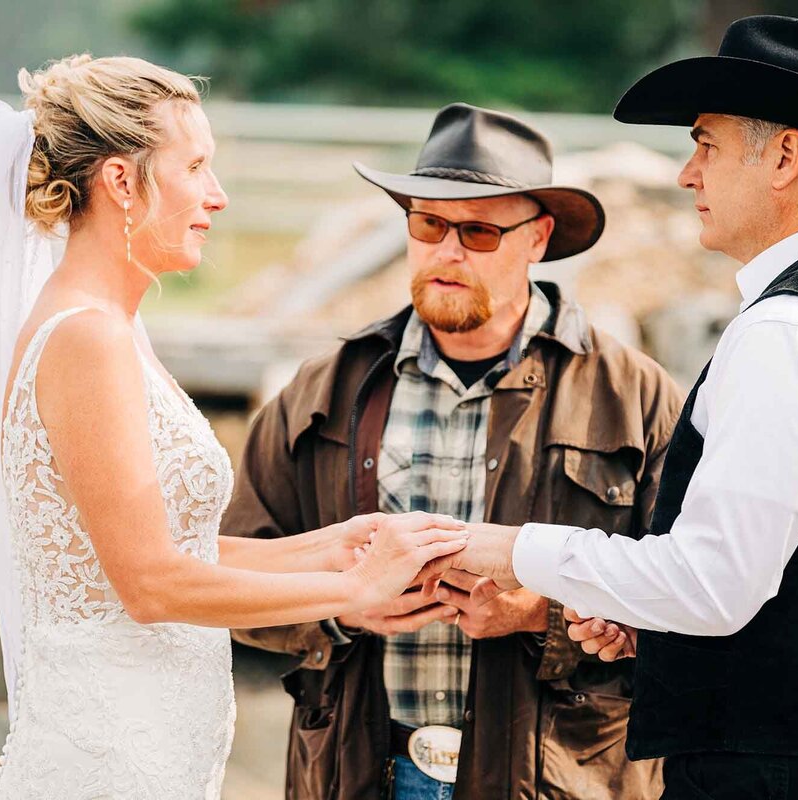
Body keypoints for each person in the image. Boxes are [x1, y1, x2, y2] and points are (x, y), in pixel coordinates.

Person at [447, 17, 798, 799]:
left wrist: (509, 547)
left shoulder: (791, 329)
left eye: (706, 145)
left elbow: (717, 585)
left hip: (772, 781)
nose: (687, 174)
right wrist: (653, 628)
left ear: (785, 156)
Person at [0, 54, 466, 800]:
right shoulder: (88, 338)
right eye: (195, 166)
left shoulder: (113, 326)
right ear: (122, 181)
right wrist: (350, 592)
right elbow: (149, 584)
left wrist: (330, 548)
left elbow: (152, 543)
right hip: (109, 764)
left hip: (154, 749)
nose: (216, 196)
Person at [221, 103, 682, 799]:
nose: (447, 251)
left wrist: (538, 613)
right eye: (428, 224)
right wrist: (341, 608)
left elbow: (692, 595)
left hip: (561, 781)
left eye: (478, 231)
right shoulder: (321, 389)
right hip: (363, 774)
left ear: (538, 238)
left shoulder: (636, 396)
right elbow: (233, 576)